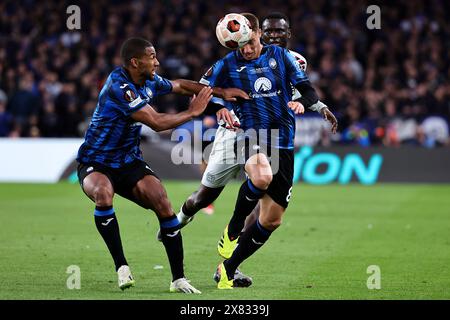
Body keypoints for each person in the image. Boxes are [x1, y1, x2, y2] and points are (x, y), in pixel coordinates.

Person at [159, 13, 337, 288]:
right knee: (210, 193)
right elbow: (202, 92)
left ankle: (229, 268)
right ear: (257, 32)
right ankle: (200, 222)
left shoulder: (289, 58)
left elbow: (305, 91)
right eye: (270, 32)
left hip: (280, 139)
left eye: (280, 32)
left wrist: (317, 106)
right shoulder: (229, 62)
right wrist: (220, 108)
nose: (274, 36)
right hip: (241, 133)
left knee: (270, 217)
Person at [76, 37, 248, 293]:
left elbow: (179, 85)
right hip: (96, 162)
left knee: (163, 203)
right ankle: (121, 266)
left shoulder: (147, 80)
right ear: (135, 62)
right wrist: (193, 112)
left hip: (129, 161)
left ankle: (178, 278)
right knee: (102, 193)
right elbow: (155, 122)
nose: (157, 61)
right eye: (152, 57)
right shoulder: (119, 87)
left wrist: (220, 92)